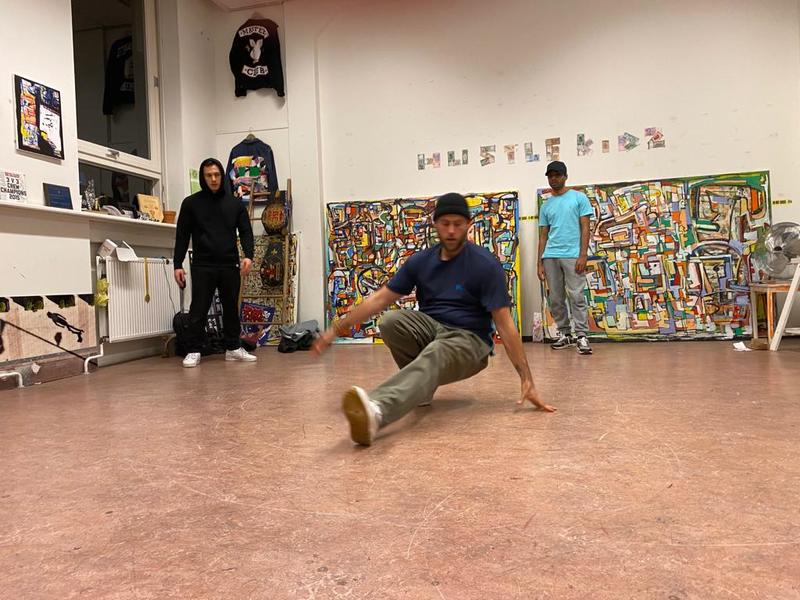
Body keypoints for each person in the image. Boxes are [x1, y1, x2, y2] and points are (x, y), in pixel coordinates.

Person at [314, 192, 555, 446]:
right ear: (435, 224)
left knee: (438, 350)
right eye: (445, 223)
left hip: (470, 341)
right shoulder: (421, 261)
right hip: (433, 329)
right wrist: (335, 329)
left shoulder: (485, 265)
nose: (451, 231)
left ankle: (378, 410)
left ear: (468, 225)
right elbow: (379, 299)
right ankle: (421, 390)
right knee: (390, 321)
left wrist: (526, 378)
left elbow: (505, 325)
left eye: (458, 224)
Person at [173, 158, 257, 368]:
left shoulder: (235, 204)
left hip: (229, 264)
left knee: (230, 307)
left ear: (222, 176)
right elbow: (182, 235)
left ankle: (233, 348)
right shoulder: (191, 203)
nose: (213, 179)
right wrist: (177, 264)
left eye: (217, 175)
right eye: (209, 175)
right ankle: (193, 350)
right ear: (203, 178)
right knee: (198, 308)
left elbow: (246, 232)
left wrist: (248, 255)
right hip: (203, 265)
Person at [537, 160, 594, 355]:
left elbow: (585, 228)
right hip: (550, 256)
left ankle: (582, 336)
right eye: (550, 176)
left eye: (557, 175)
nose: (554, 179)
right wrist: (539, 262)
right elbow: (543, 236)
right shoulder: (546, 206)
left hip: (572, 255)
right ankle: (565, 333)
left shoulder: (579, 198)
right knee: (556, 298)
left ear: (565, 176)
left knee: (576, 295)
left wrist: (583, 254)